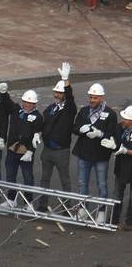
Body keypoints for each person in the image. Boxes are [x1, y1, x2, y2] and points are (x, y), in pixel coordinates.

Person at [72, 82, 118, 216]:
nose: (92, 100)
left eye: (95, 97)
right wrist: (80, 130)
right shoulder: (84, 111)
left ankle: (102, 212)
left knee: (102, 185)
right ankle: (83, 208)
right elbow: (75, 128)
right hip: (84, 154)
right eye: (91, 97)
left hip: (101, 156)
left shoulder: (110, 114)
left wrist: (100, 134)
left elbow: (113, 134)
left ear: (101, 98)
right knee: (82, 184)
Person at [38, 64, 77, 209]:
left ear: (64, 94)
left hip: (61, 151)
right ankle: (42, 205)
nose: (56, 95)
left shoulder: (69, 109)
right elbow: (43, 123)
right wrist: (38, 133)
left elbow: (71, 97)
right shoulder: (51, 108)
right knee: (44, 179)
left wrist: (66, 80)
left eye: (59, 93)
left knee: (65, 180)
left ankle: (67, 207)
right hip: (47, 149)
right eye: (55, 92)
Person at [113, 105, 132, 229]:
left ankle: (129, 222)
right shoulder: (120, 127)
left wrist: (126, 151)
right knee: (117, 194)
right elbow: (115, 142)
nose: (123, 120)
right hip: (121, 166)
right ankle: (114, 219)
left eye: (126, 118)